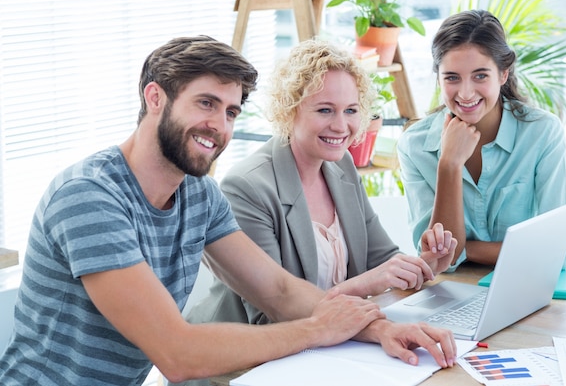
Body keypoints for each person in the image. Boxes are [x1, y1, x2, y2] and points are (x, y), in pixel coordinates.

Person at [0, 36, 457, 386]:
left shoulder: (199, 194)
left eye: (232, 112)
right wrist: (319, 329)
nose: (219, 126)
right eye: (205, 103)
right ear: (154, 98)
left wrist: (379, 330)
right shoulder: (90, 198)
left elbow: (277, 290)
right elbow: (176, 353)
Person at [182, 39, 457, 333]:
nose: (341, 126)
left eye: (351, 110)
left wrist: (421, 265)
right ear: (290, 110)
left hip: (327, 345)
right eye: (325, 110)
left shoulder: (341, 166)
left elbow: (381, 259)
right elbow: (272, 314)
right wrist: (365, 283)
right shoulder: (247, 187)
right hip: (241, 361)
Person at [397, 9, 566, 272]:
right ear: (439, 79)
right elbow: (435, 258)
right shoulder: (414, 145)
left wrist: (464, 250)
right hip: (448, 292)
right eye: (452, 77)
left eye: (480, 76)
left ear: (503, 74)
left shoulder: (542, 133)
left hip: (524, 288)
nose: (466, 93)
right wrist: (449, 164)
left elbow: (556, 252)